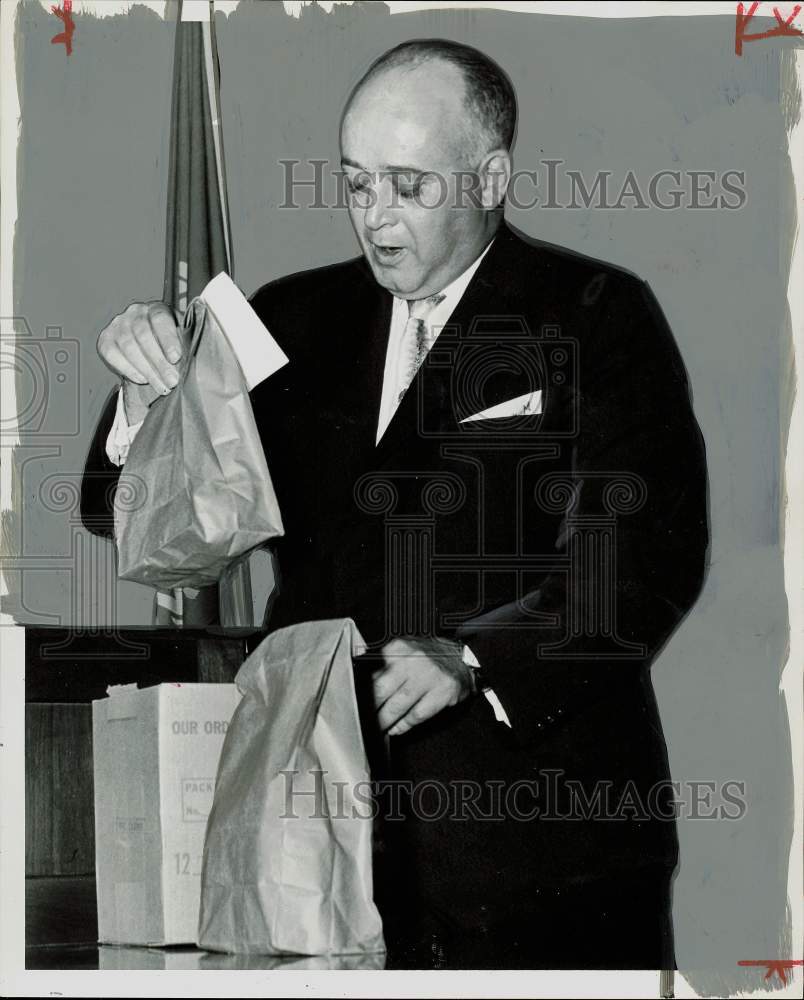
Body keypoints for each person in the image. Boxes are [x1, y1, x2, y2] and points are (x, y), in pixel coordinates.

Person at [81, 39, 709, 969]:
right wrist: (143, 398)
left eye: (408, 186)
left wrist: (475, 655)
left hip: (541, 846)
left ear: (491, 176)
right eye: (355, 183)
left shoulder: (596, 313)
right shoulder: (285, 320)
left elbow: (645, 563)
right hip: (311, 846)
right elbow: (124, 514)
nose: (375, 218)